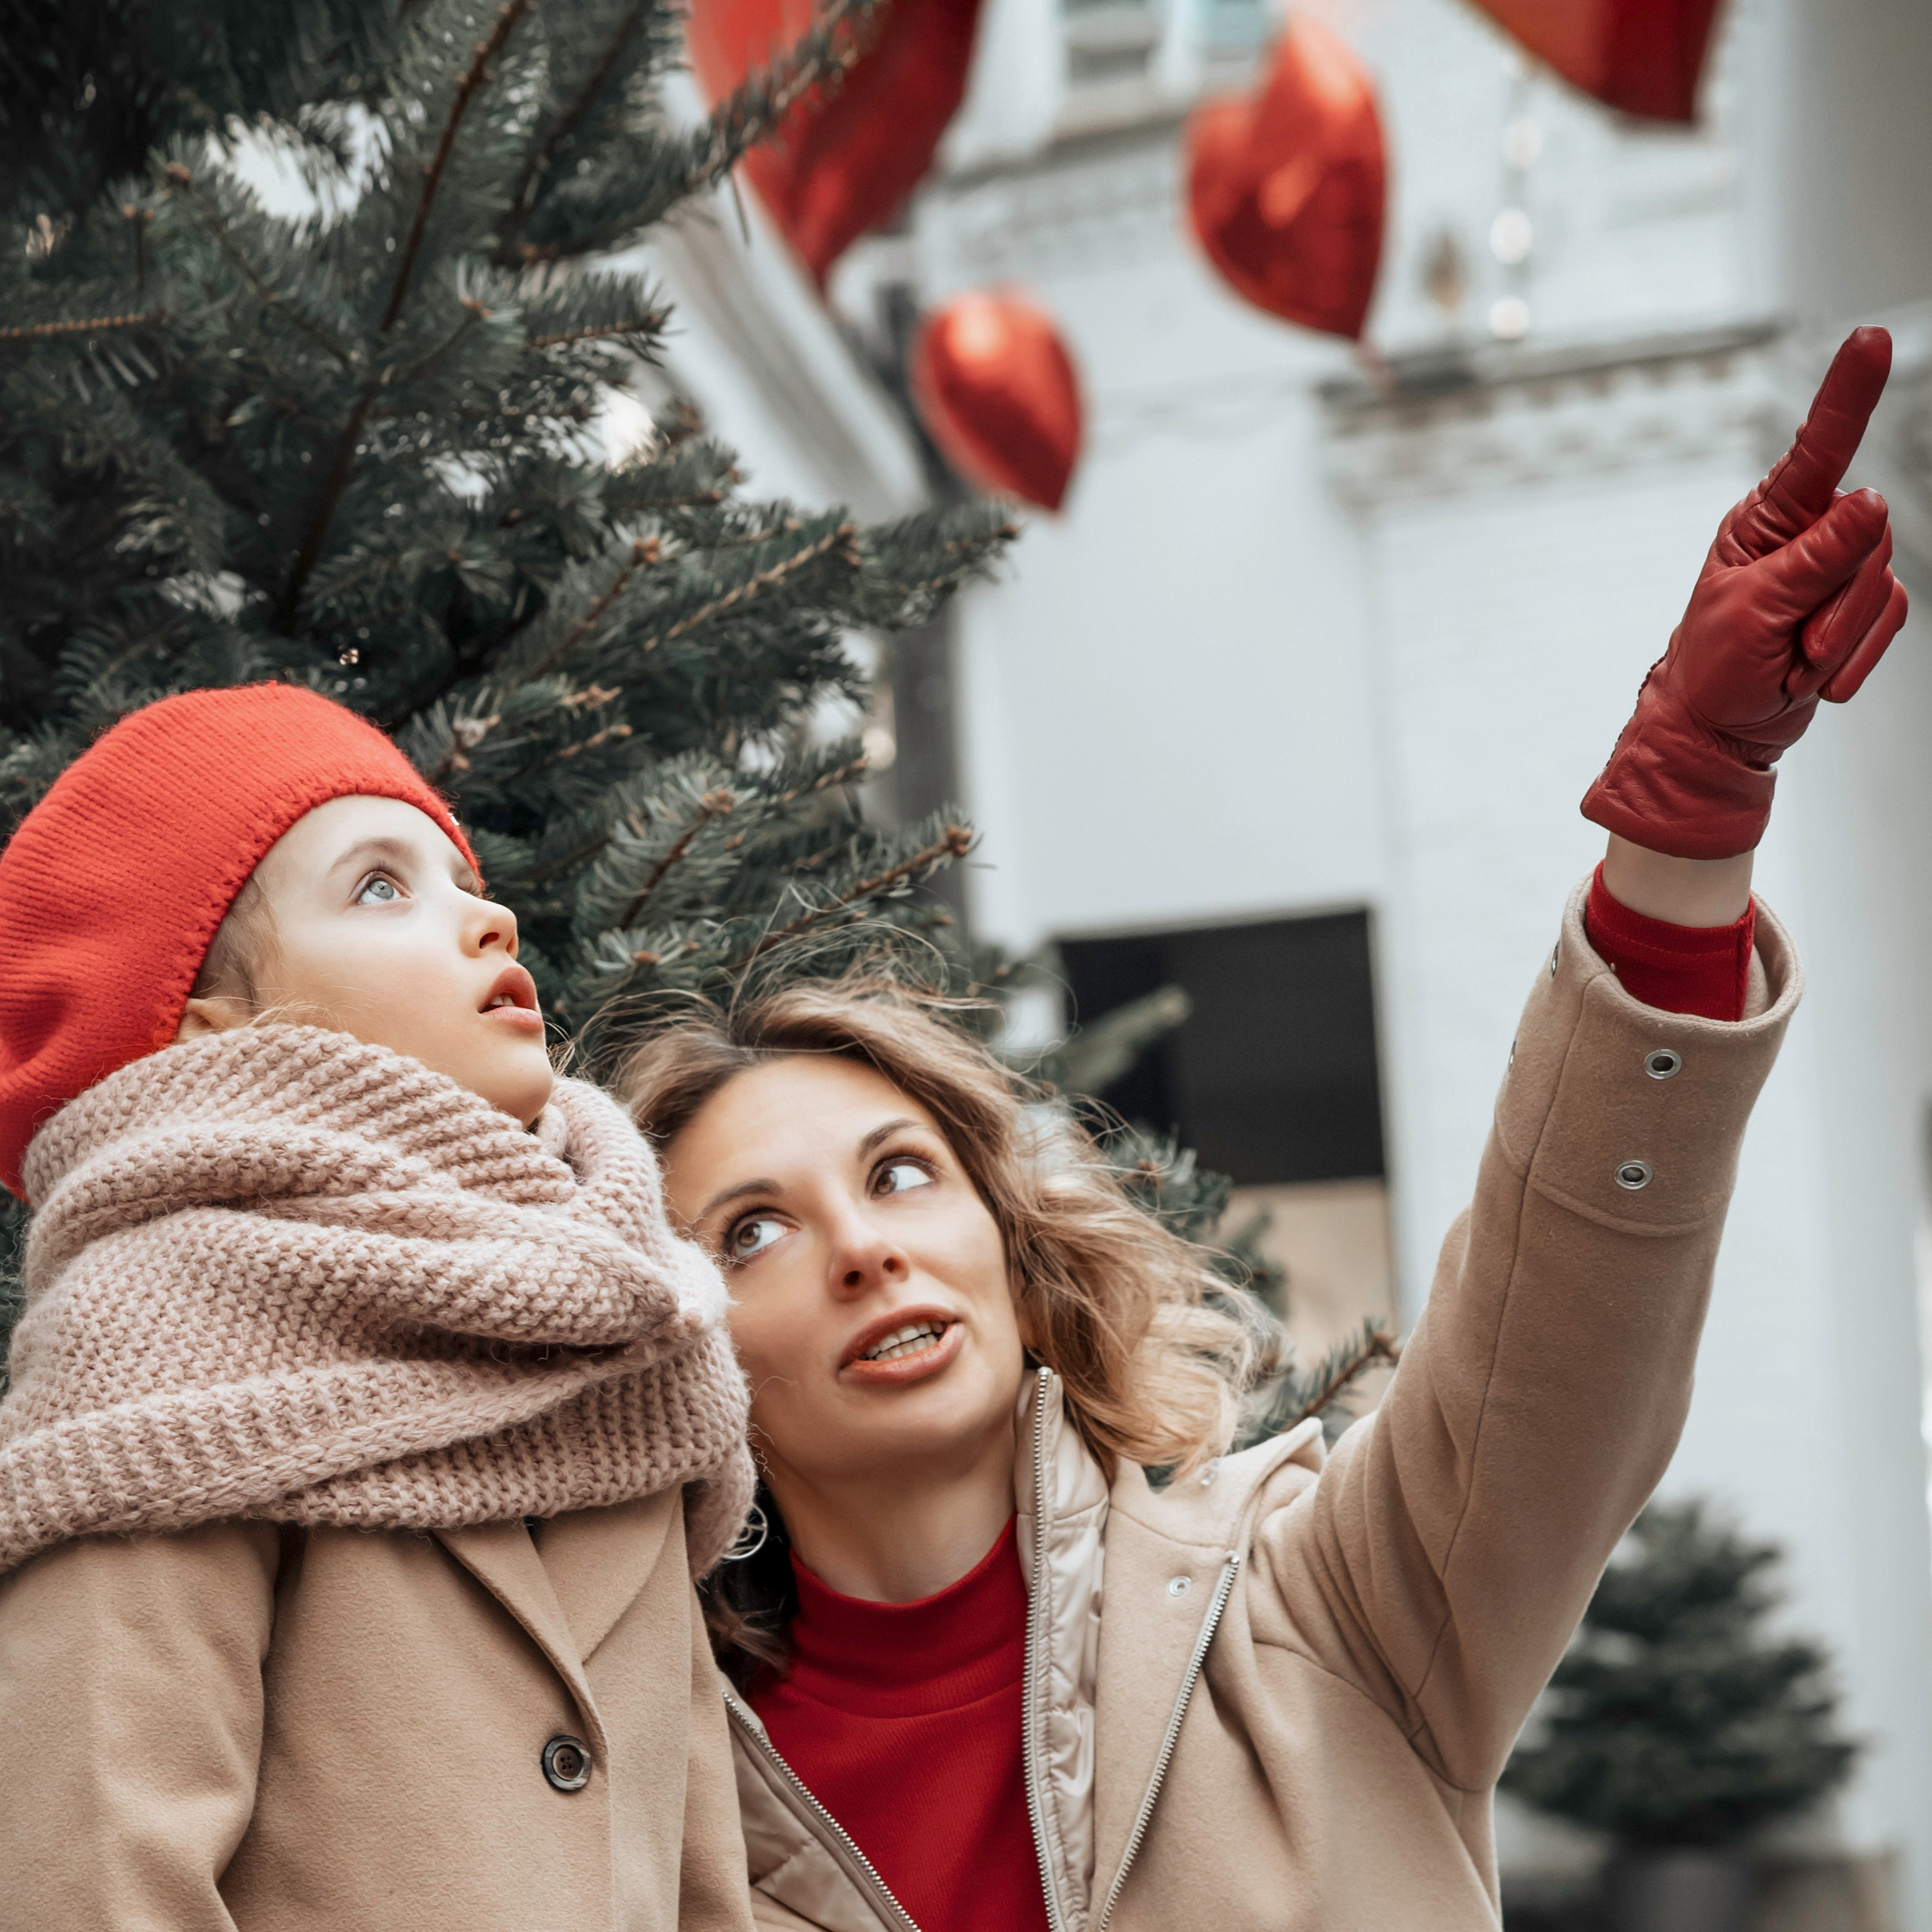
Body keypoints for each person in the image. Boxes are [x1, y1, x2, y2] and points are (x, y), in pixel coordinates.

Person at [621, 328, 1909, 1932]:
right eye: (750, 1226)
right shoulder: (640, 1801)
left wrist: (1689, 794)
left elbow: (1555, 1327)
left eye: (898, 1171)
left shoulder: (1328, 1605)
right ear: (683, 1355)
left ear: (1017, 1266)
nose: (862, 1242)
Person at [0, 684, 757, 1931]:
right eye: (381, 888)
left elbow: (697, 1872)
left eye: (466, 881)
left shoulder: (626, 1330)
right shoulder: (160, 1346)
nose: (487, 918)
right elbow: (97, 1871)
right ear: (212, 1039)